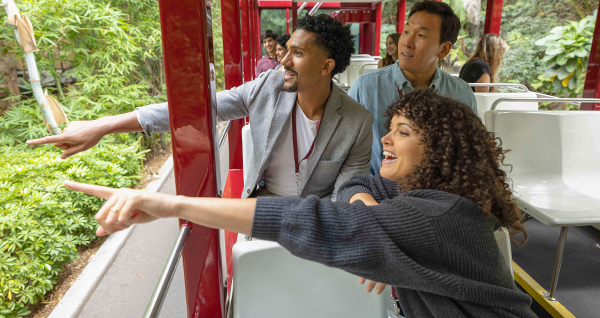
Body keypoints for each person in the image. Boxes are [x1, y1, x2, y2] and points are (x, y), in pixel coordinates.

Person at [65, 90, 536, 318]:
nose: (386, 139)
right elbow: (355, 185)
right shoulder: (432, 195)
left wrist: (171, 206)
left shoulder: (435, 215)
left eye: (404, 133)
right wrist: (372, 217)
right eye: (389, 128)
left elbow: (311, 219)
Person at [28, 15, 373, 199]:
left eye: (297, 54)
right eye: (287, 49)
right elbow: (201, 109)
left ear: (327, 67)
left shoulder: (356, 121)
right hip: (262, 209)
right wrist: (104, 125)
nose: (282, 60)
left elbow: (346, 192)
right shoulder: (268, 88)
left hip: (319, 220)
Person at [349, 0, 477, 175]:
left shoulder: (461, 95)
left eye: (421, 36)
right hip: (377, 193)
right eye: (406, 31)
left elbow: (467, 155)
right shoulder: (367, 87)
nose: (406, 42)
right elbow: (345, 152)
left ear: (444, 49)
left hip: (436, 194)